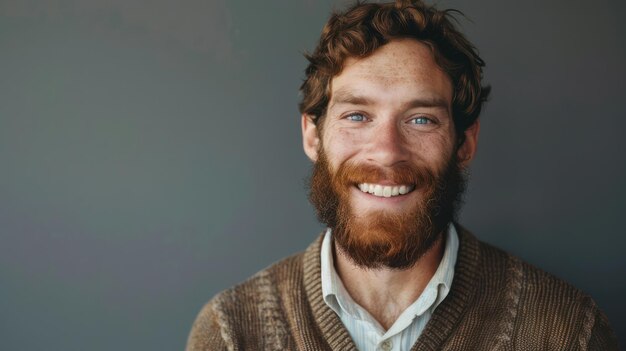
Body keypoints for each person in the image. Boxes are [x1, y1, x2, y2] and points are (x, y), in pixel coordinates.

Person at [186, 1, 618, 350]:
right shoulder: (231, 334)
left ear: (465, 143)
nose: (387, 152)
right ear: (313, 136)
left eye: (421, 119)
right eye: (357, 115)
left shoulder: (566, 334)